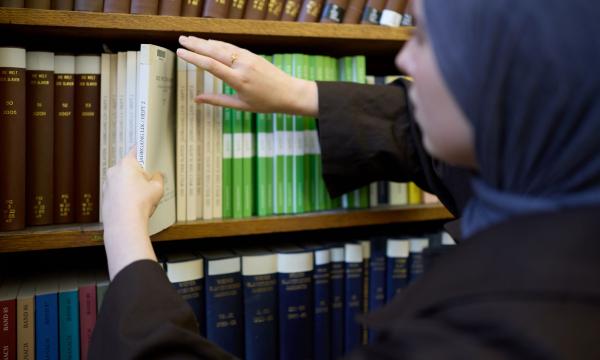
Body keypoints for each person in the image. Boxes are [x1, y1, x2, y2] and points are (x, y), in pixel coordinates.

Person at [90, 0, 600, 358]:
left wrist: (127, 240)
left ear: (502, 80)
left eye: (425, 37)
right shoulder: (566, 175)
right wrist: (297, 94)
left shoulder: (494, 335)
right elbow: (428, 137)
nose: (403, 59)